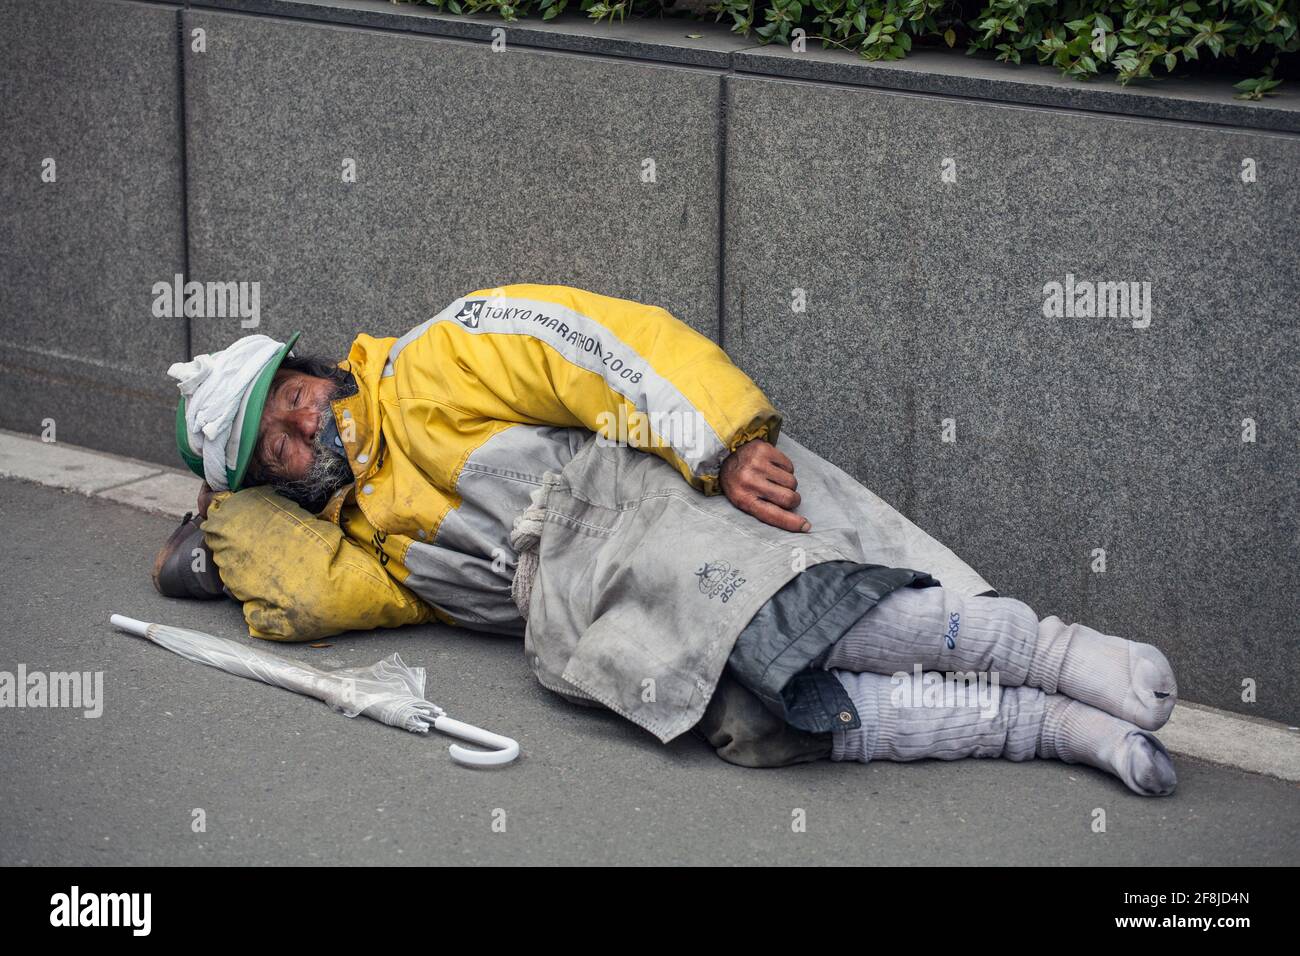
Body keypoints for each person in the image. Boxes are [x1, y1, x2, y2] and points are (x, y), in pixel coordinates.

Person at [153, 283, 1178, 795]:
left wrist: (722, 439)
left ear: (317, 367)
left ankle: (1050, 654)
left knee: (781, 610)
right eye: (276, 451)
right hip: (583, 624)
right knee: (750, 715)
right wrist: (221, 524)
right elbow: (316, 600)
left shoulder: (434, 355)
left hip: (634, 508)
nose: (303, 428)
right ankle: (1036, 728)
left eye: (292, 397)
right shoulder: (367, 543)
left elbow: (604, 345)